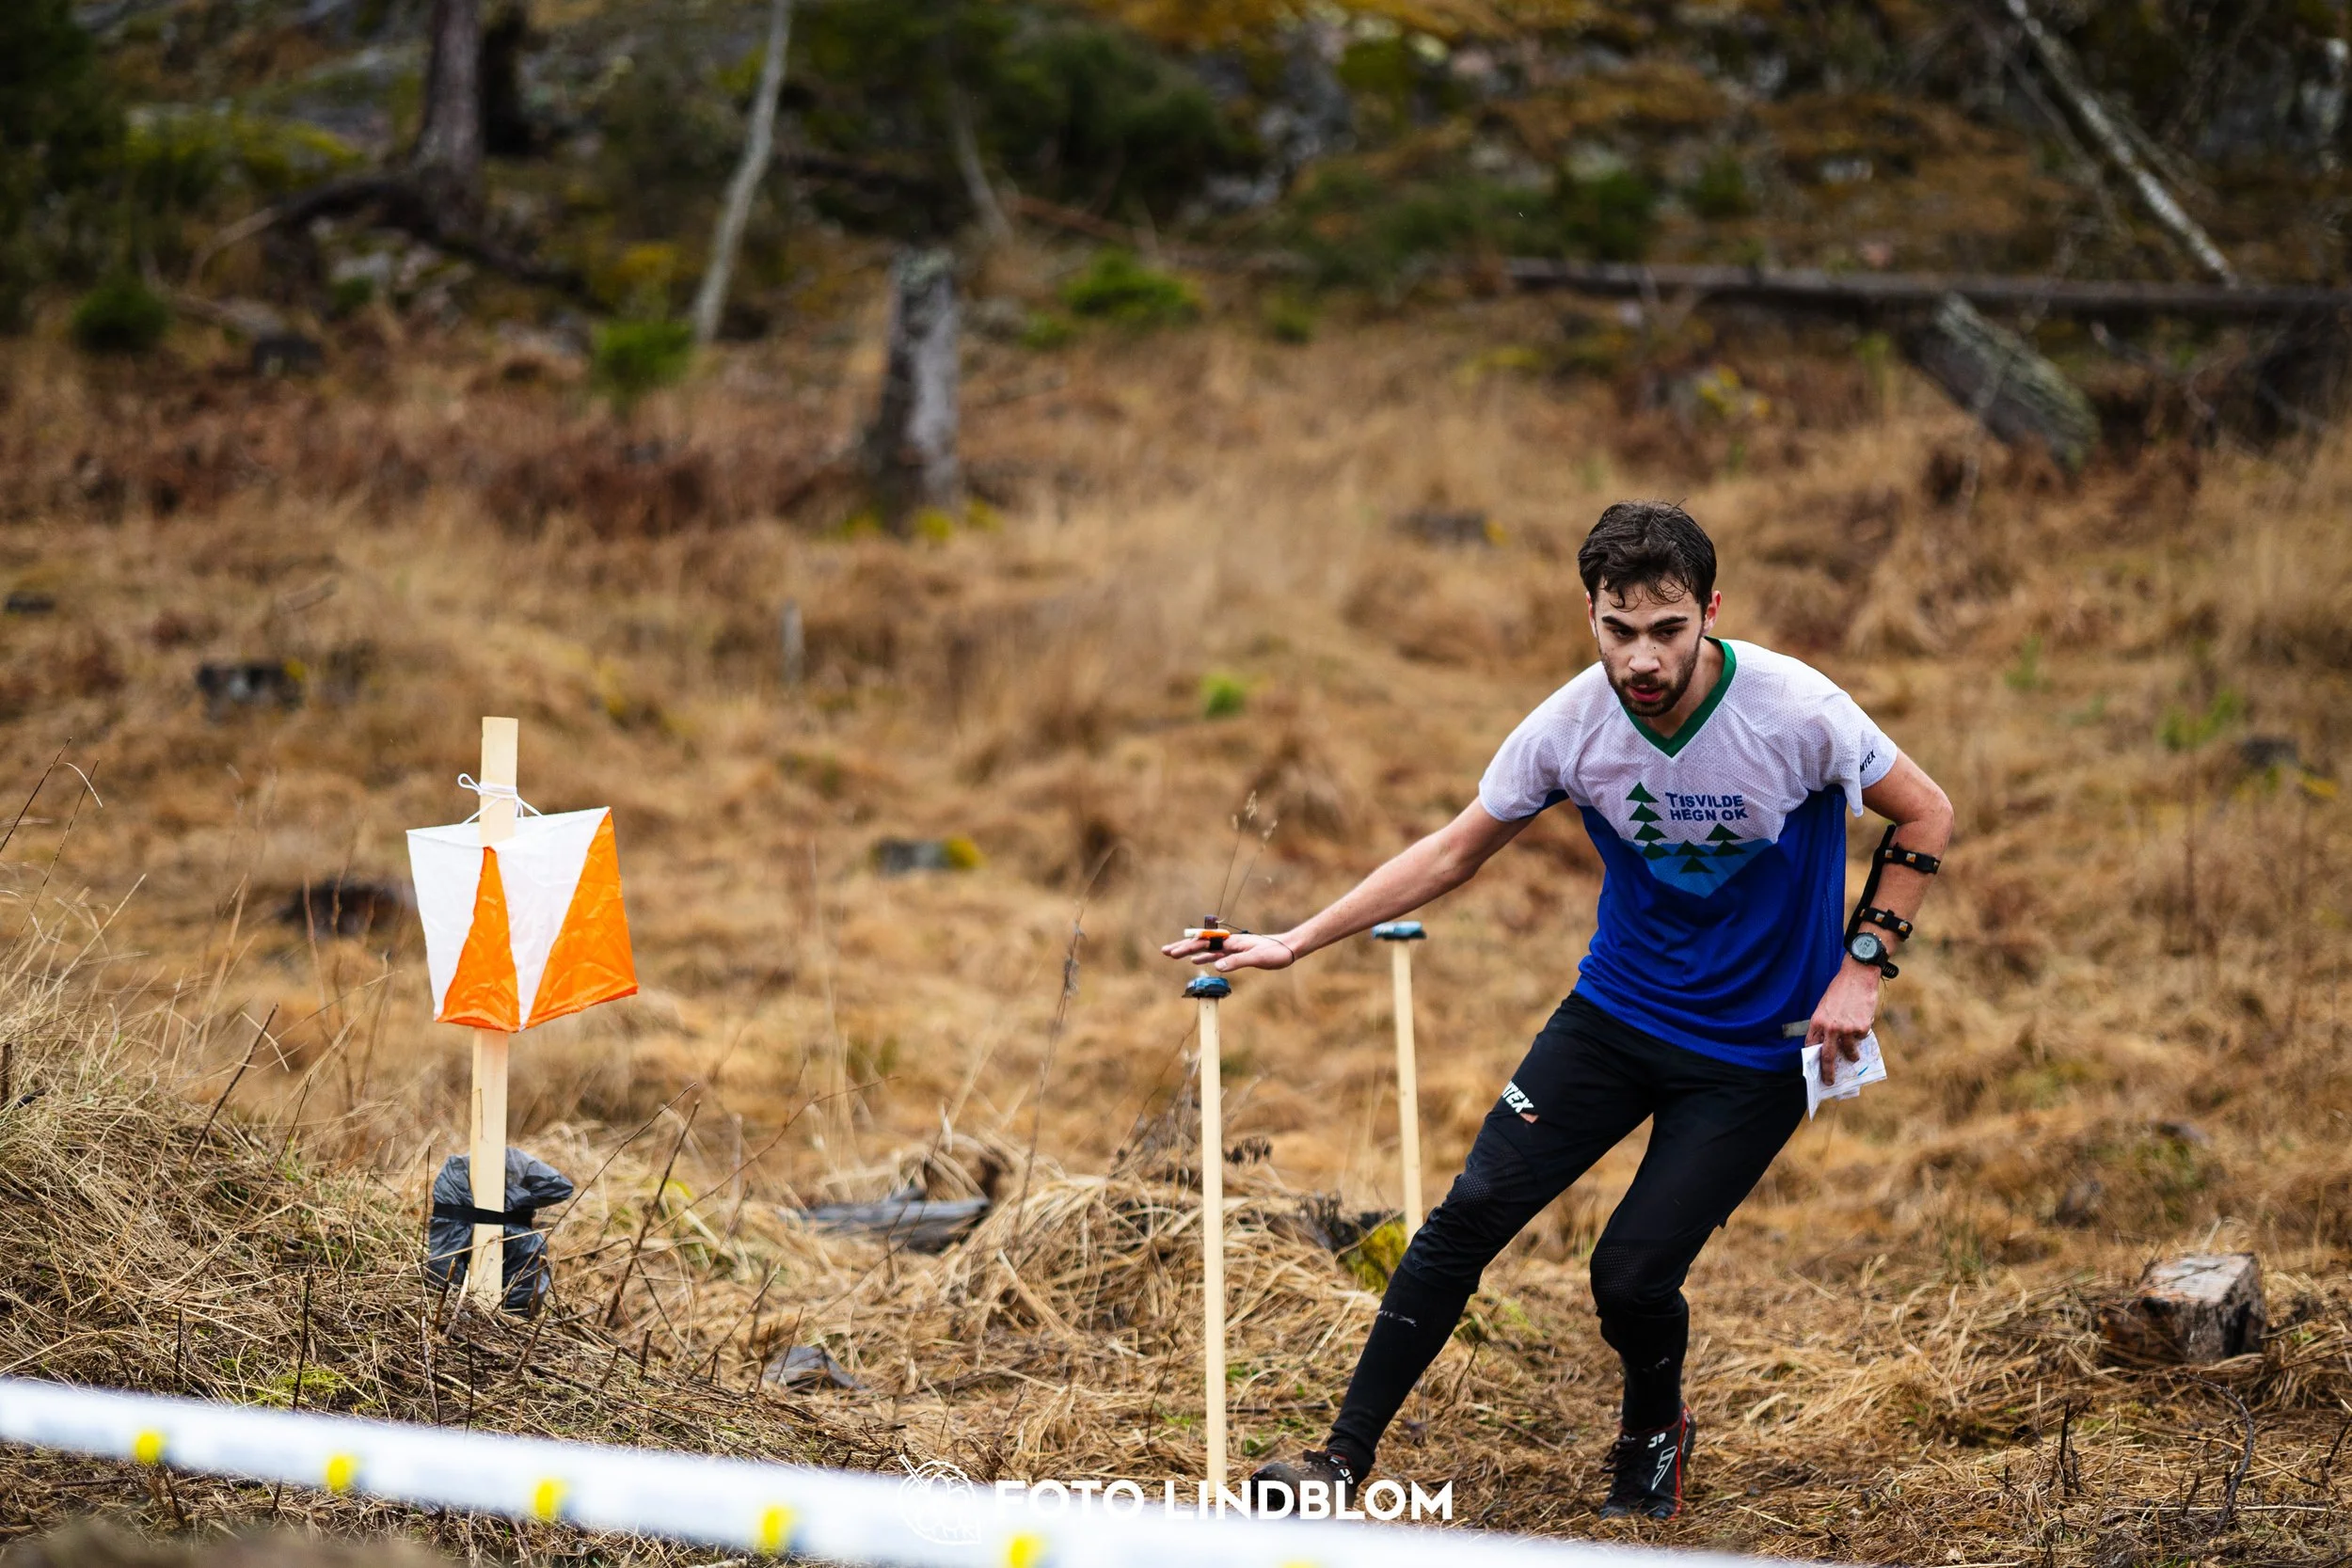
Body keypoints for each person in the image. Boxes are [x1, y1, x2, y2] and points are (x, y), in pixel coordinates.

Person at [1162, 501, 1953, 1520]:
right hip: (1615, 1014)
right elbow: (1453, 848)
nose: (1642, 659)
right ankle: (1337, 1462)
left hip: (1755, 1051)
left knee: (1627, 1276)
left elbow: (1926, 808)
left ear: (1709, 610)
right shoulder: (1570, 725)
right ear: (1589, 613)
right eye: (1618, 631)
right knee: (1464, 1218)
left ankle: (1653, 1421)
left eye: (1667, 630)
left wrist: (1861, 966)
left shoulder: (1798, 710)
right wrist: (1294, 937)